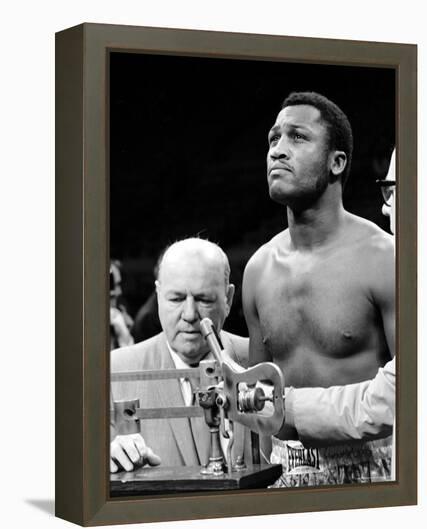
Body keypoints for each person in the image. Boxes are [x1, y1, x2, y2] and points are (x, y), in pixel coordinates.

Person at [242, 92, 395, 486]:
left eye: (297, 137)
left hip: (375, 471)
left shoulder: (384, 258)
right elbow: (260, 403)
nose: (277, 150)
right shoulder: (258, 269)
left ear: (337, 162)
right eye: (273, 139)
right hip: (280, 473)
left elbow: (411, 392)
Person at [281, 149, 396, 451]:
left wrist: (285, 405)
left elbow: (398, 397)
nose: (386, 208)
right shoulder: (261, 266)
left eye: (393, 190)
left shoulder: (386, 260)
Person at [110, 238, 250, 473]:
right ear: (158, 294)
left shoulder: (259, 362)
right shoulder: (116, 370)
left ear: (228, 299)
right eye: (176, 299)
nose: (189, 314)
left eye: (203, 299)